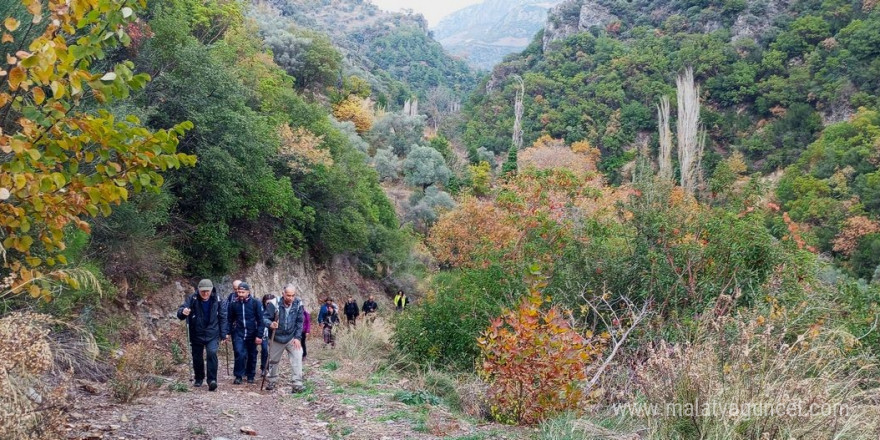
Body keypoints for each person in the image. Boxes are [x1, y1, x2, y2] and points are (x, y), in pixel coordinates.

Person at [177, 279, 228, 391]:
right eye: (202, 291)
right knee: (197, 357)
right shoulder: (192, 299)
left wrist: (224, 334)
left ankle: (212, 380)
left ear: (211, 290)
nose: (205, 293)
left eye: (207, 291)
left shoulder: (218, 300)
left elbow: (223, 317)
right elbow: (181, 312)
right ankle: (199, 378)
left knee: (212, 353)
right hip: (196, 333)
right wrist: (183, 311)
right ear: (198, 290)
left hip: (212, 333)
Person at [263, 284, 305, 393]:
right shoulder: (274, 303)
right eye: (288, 295)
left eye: (293, 295)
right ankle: (272, 380)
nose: (290, 298)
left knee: (298, 355)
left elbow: (300, 321)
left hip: (291, 337)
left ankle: (297, 384)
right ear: (283, 294)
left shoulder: (298, 303)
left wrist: (297, 337)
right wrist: (271, 324)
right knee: (273, 361)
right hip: (276, 337)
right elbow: (264, 318)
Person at [227, 282, 264, 385]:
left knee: (252, 354)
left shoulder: (256, 303)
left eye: (243, 292)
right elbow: (230, 319)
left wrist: (259, 335)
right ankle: (238, 375)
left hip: (252, 333)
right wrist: (228, 332)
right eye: (239, 292)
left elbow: (261, 320)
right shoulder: (234, 304)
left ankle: (250, 375)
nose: (241, 294)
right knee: (239, 353)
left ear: (248, 292)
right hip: (239, 332)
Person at [259, 293, 276, 377]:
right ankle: (263, 368)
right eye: (267, 302)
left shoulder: (275, 309)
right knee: (265, 350)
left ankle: (271, 369)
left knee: (271, 352)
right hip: (262, 333)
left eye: (270, 302)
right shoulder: (260, 309)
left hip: (271, 333)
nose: (268, 304)